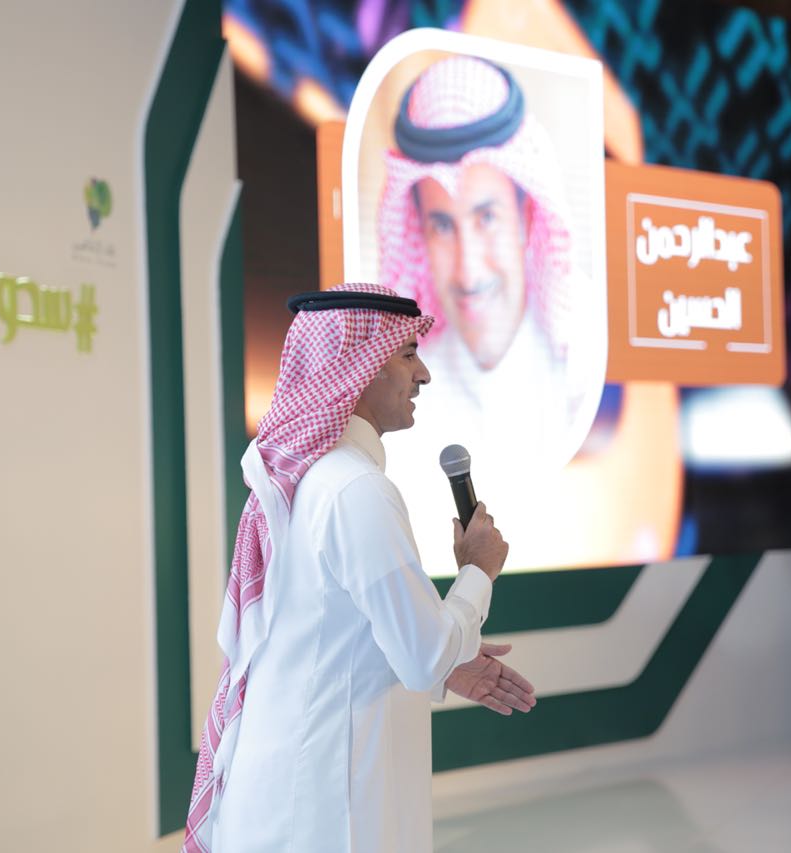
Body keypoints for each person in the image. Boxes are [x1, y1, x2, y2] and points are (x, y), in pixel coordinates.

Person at [181, 283, 536, 853]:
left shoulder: (312, 480)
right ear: (362, 366)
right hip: (322, 811)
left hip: (296, 795)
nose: (423, 375)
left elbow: (329, 631)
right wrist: (478, 571)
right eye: (408, 355)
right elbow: (423, 657)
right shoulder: (356, 489)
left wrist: (449, 665)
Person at [376, 54, 607, 479]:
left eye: (487, 218)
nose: (468, 271)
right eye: (442, 226)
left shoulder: (588, 348)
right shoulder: (408, 389)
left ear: (527, 218)